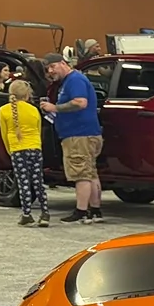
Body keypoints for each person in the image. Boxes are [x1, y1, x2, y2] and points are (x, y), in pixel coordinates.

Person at [39, 52, 105, 222]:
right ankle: (95, 210)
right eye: (48, 69)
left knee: (81, 174)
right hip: (88, 134)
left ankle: (81, 211)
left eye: (53, 67)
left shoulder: (74, 80)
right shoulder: (72, 81)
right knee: (90, 173)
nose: (51, 71)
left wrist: (55, 108)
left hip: (79, 136)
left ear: (63, 63)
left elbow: (80, 102)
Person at [1, 79, 48, 227]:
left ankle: (27, 214)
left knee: (23, 183)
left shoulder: (3, 110)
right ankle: (45, 213)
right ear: (27, 95)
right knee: (38, 181)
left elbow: (3, 133)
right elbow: (39, 130)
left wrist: (10, 150)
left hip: (17, 149)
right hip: (35, 148)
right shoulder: (33, 110)